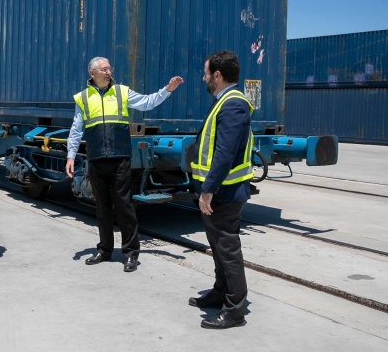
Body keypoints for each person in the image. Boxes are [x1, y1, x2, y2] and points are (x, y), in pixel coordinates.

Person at [65, 57, 183, 272]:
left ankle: (131, 254)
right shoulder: (82, 98)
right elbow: (76, 129)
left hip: (120, 158)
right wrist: (71, 156)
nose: (109, 71)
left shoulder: (121, 92)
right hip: (97, 159)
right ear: (92, 73)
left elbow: (147, 102)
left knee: (124, 207)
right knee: (102, 208)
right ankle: (104, 250)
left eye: (110, 68)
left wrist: (167, 89)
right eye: (104, 69)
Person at [189, 50, 254, 329]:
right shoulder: (223, 102)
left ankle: (234, 310)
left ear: (217, 75)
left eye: (206, 73)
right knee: (217, 248)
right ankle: (220, 292)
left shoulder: (232, 104)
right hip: (219, 192)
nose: (203, 78)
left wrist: (208, 190)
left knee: (228, 249)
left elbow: (225, 153)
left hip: (224, 193)